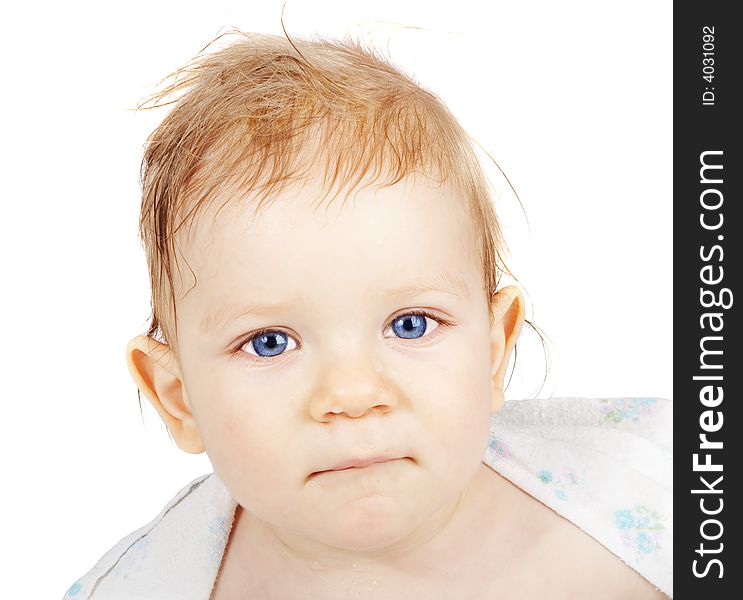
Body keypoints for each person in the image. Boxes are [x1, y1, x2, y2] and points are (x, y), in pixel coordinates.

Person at [63, 29, 671, 599]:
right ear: (178, 397)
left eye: (411, 324)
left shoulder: (652, 502)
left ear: (492, 351)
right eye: (270, 342)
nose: (352, 395)